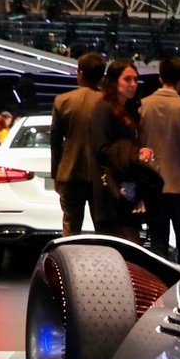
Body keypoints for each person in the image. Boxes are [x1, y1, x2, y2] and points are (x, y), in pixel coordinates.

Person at [137, 55, 180, 265]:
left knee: (158, 244)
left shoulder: (142, 107)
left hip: (152, 186)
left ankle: (158, 284)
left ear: (160, 77)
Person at [89, 58, 150, 242]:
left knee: (128, 240)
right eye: (127, 79)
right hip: (110, 187)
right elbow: (101, 149)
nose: (133, 84)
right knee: (118, 243)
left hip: (126, 184)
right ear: (114, 81)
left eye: (135, 80)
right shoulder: (103, 108)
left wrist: (141, 151)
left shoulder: (129, 109)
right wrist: (134, 154)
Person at [49, 53, 106, 235]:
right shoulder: (109, 102)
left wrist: (55, 173)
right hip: (102, 174)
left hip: (70, 171)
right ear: (101, 75)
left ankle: (68, 254)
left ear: (80, 73)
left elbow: (55, 141)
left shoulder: (63, 101)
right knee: (104, 227)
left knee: (70, 226)